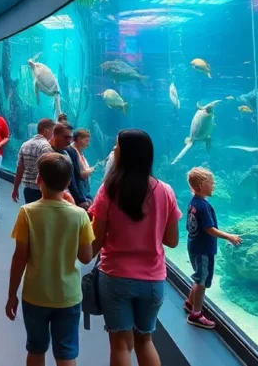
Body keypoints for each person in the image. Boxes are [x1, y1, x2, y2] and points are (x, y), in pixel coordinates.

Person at [87, 129, 181, 366]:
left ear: (127, 153)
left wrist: (81, 253)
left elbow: (96, 240)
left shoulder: (108, 190)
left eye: (117, 146)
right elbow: (172, 241)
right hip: (153, 280)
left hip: (115, 276)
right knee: (145, 341)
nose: (114, 150)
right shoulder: (165, 191)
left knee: (120, 344)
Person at [6, 152, 94, 366]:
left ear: (38, 180)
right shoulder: (79, 215)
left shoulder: (27, 212)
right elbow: (86, 257)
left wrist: (12, 295)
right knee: (66, 353)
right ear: (68, 182)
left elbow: (19, 258)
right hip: (68, 296)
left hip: (35, 295)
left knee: (36, 348)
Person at [185, 167, 241, 328]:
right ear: (201, 185)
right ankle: (195, 314)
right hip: (203, 250)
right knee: (202, 281)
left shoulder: (194, 202)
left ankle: (190, 303)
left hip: (194, 246)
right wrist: (229, 236)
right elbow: (209, 229)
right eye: (211, 183)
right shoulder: (203, 206)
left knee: (198, 277)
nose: (214, 185)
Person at [11, 118, 56, 204]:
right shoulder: (46, 147)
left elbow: (20, 169)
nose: (53, 134)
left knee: (30, 211)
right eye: (52, 131)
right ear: (46, 131)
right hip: (42, 190)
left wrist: (15, 188)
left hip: (27, 189)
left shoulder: (25, 145)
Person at [49, 124, 89, 209]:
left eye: (70, 138)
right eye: (65, 137)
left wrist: (79, 199)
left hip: (68, 200)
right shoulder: (47, 154)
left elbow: (72, 178)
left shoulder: (68, 152)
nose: (68, 141)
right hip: (53, 202)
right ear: (55, 135)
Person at [73, 129, 95, 208]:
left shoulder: (79, 151)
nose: (88, 144)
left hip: (83, 189)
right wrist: (94, 169)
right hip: (81, 190)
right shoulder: (74, 151)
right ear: (79, 139)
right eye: (86, 141)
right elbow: (83, 174)